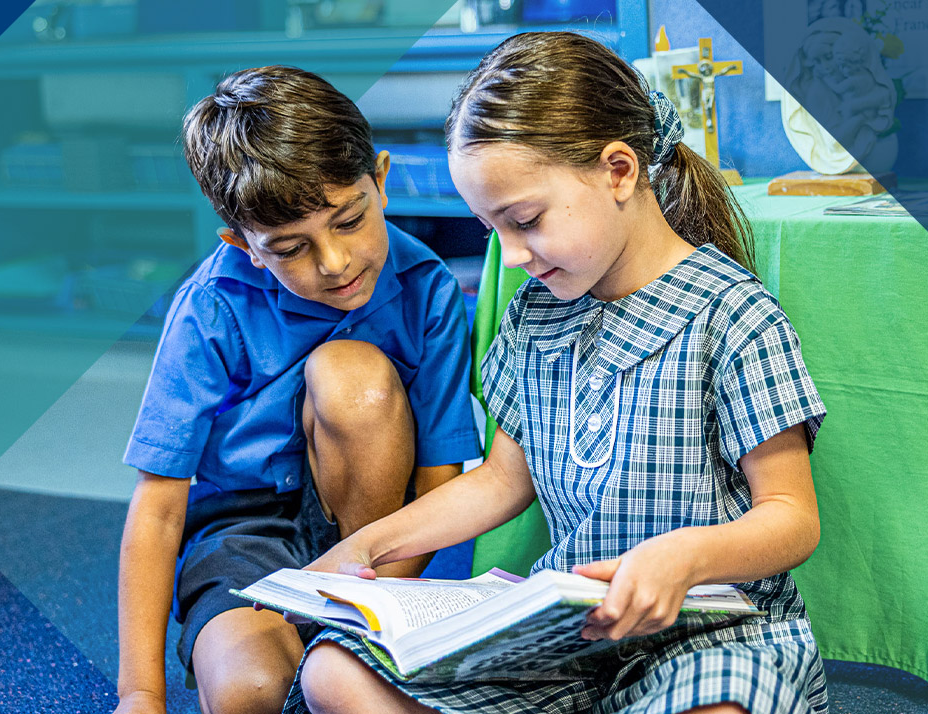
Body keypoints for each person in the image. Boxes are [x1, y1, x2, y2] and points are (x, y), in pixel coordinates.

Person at [291, 32, 830, 714]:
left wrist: (683, 559)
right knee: (332, 674)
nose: (511, 255)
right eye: (492, 230)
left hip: (709, 632)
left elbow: (792, 518)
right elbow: (501, 481)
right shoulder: (531, 316)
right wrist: (372, 543)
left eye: (526, 220)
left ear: (619, 171)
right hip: (565, 636)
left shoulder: (733, 314)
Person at [113, 66, 482, 714]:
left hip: (375, 531)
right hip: (243, 528)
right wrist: (139, 694)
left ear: (382, 180)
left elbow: (438, 483)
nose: (335, 263)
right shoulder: (211, 307)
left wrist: (373, 601)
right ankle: (316, 646)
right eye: (290, 248)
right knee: (249, 695)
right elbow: (160, 507)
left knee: (351, 375)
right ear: (244, 246)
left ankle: (357, 622)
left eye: (348, 220)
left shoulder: (429, 289)